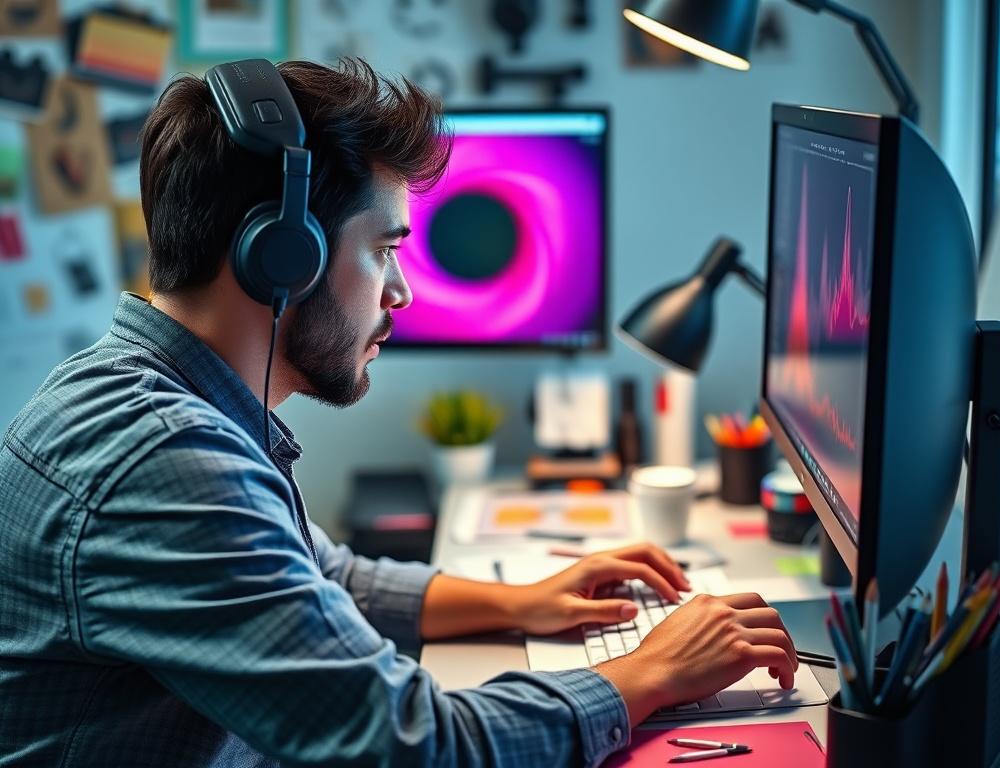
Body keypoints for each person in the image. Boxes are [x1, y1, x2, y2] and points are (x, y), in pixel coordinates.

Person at [0, 59, 797, 767]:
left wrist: (523, 602)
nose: (402, 291)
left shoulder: (142, 396)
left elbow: (323, 576)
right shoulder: (165, 460)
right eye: (383, 250)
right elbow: (411, 745)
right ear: (284, 256)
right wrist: (647, 673)